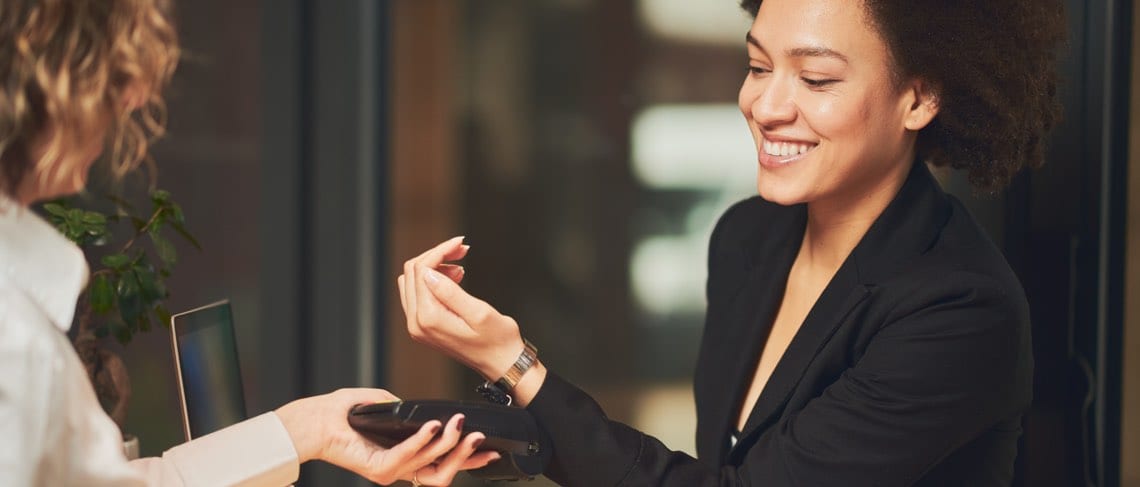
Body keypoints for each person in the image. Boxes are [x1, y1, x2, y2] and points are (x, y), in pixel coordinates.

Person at [398, 0, 1067, 485]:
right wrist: (491, 428)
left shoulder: (959, 308)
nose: (766, 106)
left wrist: (513, 363)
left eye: (816, 79)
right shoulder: (748, 238)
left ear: (918, 98)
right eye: (758, 65)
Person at [0, 1, 499, 485]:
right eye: (108, 70)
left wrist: (313, 429)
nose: (132, 97)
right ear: (35, 70)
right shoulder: (15, 340)